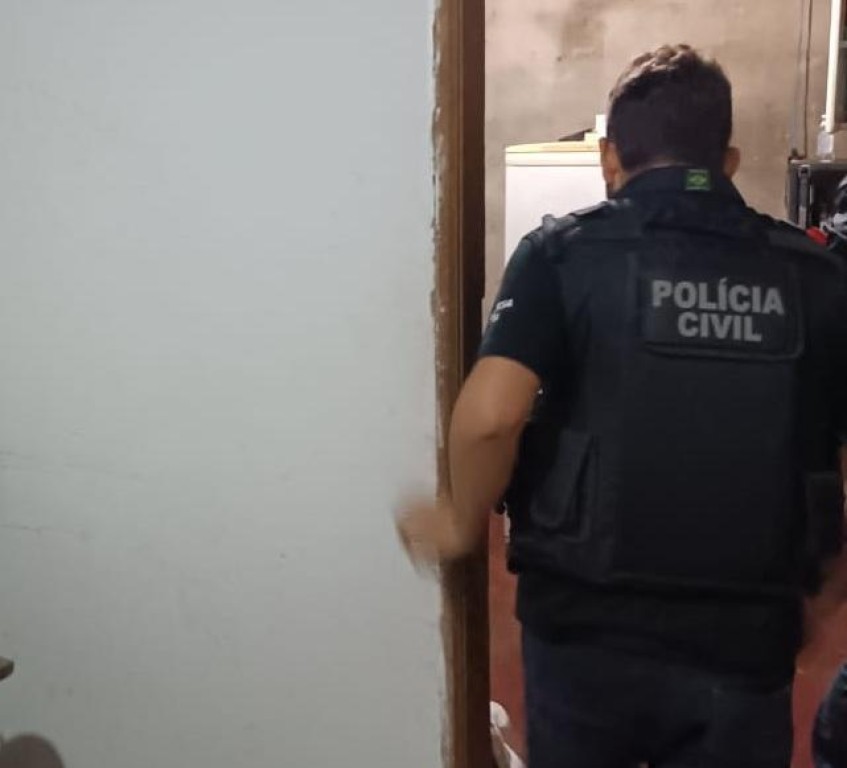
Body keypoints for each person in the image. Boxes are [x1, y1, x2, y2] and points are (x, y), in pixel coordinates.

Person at [397, 43, 847, 768]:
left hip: (584, 633)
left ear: (609, 159)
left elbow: (491, 418)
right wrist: (826, 596)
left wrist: (457, 523)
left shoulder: (560, 255)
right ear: (728, 161)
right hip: (743, 641)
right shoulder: (817, 278)